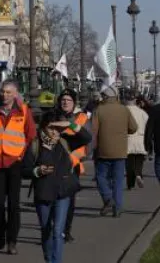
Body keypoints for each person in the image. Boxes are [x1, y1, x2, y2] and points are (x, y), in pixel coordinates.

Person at [21, 111, 91, 263]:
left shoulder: (64, 142)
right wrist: (38, 171)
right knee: (46, 229)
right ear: (44, 128)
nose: (55, 132)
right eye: (51, 128)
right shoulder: (35, 145)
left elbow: (87, 137)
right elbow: (24, 170)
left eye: (58, 129)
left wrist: (70, 124)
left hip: (62, 193)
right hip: (43, 193)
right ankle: (49, 259)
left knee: (58, 231)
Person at [0, 79, 36, 255]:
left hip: (14, 163)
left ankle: (12, 241)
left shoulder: (24, 110)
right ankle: (1, 231)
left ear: (16, 94)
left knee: (13, 204)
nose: (5, 95)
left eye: (9, 92)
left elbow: (30, 134)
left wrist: (21, 153)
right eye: (3, 91)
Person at [92, 84, 138, 217]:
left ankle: (108, 198)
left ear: (104, 97)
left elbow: (93, 131)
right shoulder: (124, 110)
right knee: (118, 180)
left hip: (103, 151)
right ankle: (117, 208)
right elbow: (133, 128)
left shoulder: (98, 110)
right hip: (120, 151)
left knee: (101, 177)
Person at [54, 88, 89, 243]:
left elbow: (89, 142)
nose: (65, 102)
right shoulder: (53, 117)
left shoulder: (81, 118)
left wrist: (78, 155)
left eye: (68, 100)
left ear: (74, 103)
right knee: (53, 199)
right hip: (53, 165)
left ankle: (65, 230)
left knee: (69, 201)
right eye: (63, 100)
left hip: (72, 165)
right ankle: (55, 228)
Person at [125, 91, 148, 189]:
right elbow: (147, 124)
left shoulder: (124, 111)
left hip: (128, 139)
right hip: (140, 139)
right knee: (139, 160)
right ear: (135, 100)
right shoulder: (142, 112)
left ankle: (130, 184)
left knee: (129, 162)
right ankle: (138, 174)